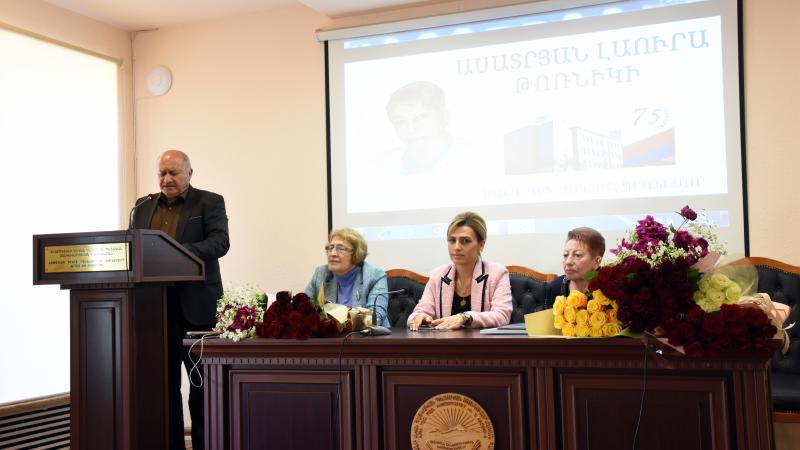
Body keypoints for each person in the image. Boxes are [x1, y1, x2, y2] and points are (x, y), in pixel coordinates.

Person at [130, 149, 229, 450]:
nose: (167, 179)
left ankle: (205, 445)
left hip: (197, 311)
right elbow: (133, 247)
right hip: (155, 312)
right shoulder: (142, 206)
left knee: (202, 388)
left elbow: (220, 243)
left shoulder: (209, 202)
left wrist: (177, 252)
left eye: (173, 172)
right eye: (162, 173)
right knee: (162, 388)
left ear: (189, 173)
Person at [407, 212, 512, 330]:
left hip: (482, 342)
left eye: (465, 241)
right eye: (452, 240)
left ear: (481, 245)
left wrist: (466, 317)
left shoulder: (497, 274)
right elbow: (419, 311)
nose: (456, 247)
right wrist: (418, 317)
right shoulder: (438, 275)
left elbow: (502, 316)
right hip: (446, 341)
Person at [304, 228, 389, 326]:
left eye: (340, 249)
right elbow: (303, 308)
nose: (333, 253)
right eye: (330, 248)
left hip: (371, 335)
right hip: (331, 335)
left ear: (356, 253)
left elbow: (375, 318)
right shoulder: (321, 273)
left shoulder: (374, 276)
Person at [545, 227, 605, 308]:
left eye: (577, 255)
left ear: (597, 261)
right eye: (565, 255)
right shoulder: (554, 288)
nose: (568, 262)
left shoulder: (609, 289)